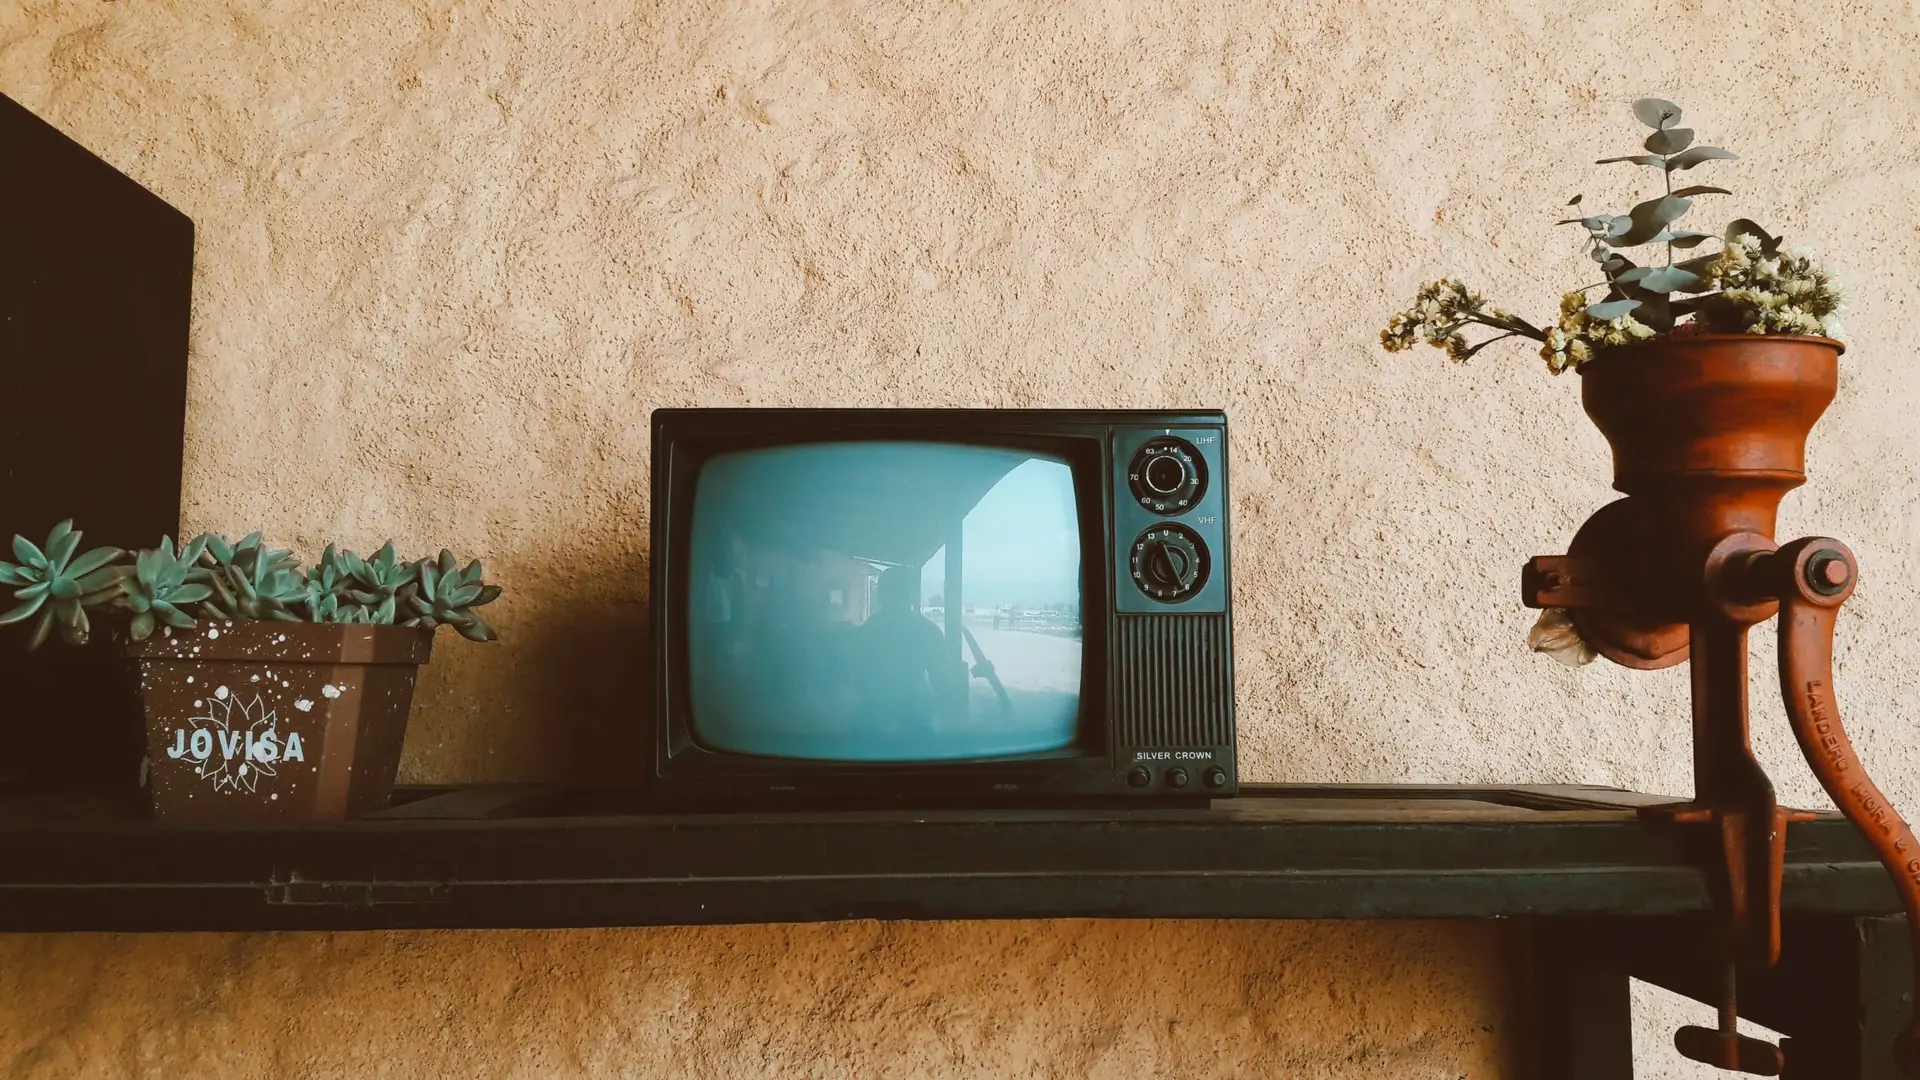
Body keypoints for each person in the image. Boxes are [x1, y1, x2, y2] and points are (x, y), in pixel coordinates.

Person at [851, 565, 959, 734]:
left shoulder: (869, 629)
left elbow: (856, 676)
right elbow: (941, 682)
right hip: (912, 705)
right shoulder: (928, 630)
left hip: (877, 705)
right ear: (912, 595)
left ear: (881, 596)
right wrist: (955, 695)